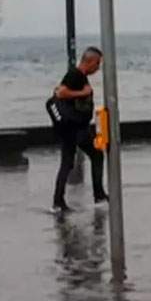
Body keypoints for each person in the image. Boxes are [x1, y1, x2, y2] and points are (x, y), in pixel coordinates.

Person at [53, 47, 107, 212]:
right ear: (89, 61)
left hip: (77, 127)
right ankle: (59, 202)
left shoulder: (80, 76)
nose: (98, 68)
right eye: (97, 64)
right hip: (72, 128)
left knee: (91, 156)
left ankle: (97, 194)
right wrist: (82, 92)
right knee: (73, 161)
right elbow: (61, 93)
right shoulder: (75, 74)